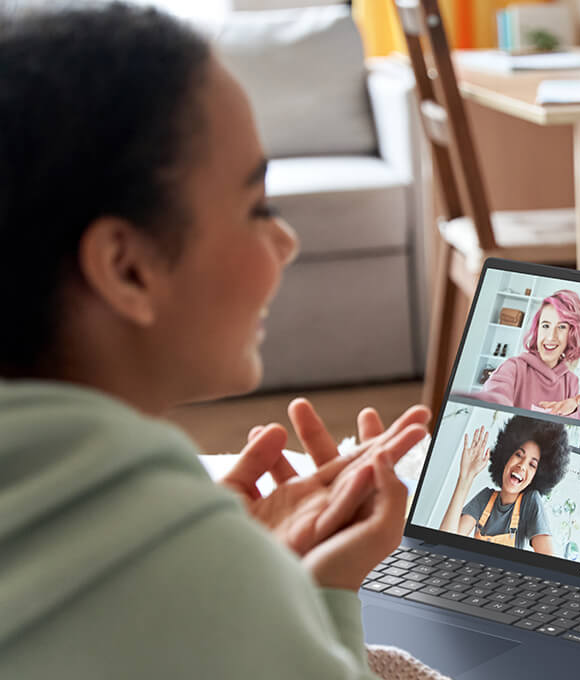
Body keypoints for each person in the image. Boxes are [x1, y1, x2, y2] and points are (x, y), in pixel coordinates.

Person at [0, 5, 438, 678]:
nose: (287, 241)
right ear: (126, 268)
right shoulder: (189, 567)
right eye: (258, 207)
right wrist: (285, 592)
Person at [438, 415, 570, 554]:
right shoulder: (485, 498)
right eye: (519, 455)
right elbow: (445, 543)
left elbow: (547, 562)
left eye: (532, 464)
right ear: (506, 456)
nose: (522, 466)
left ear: (537, 476)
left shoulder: (530, 503)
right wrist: (466, 476)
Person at [471, 289, 580, 417]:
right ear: (537, 329)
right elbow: (493, 396)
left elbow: (570, 431)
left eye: (561, 327)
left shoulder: (571, 381)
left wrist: (571, 412)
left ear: (571, 334)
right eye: (545, 326)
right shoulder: (513, 367)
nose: (551, 337)